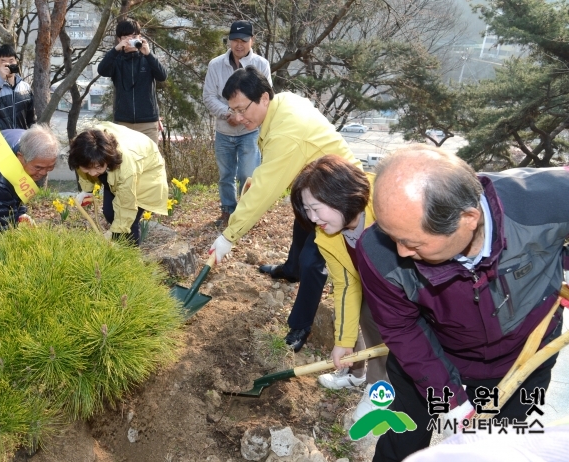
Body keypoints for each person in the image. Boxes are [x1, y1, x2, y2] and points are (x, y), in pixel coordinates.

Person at [355, 145, 568, 461]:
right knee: (401, 441)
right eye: (391, 235)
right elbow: (402, 329)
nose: (400, 252)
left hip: (523, 358)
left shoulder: (544, 200)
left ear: (469, 218)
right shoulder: (378, 252)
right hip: (433, 357)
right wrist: (453, 403)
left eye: (412, 243)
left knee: (498, 450)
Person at [206, 66, 359, 351]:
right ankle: (291, 269)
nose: (237, 119)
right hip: (314, 185)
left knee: (315, 260)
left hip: (339, 196)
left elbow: (266, 190)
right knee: (302, 222)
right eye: (232, 110)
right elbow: (277, 165)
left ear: (264, 97)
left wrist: (229, 236)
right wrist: (258, 176)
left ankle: (300, 326)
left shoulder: (287, 132)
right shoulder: (282, 103)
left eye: (242, 109)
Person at [289, 155, 388, 420]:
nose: (312, 218)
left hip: (405, 284)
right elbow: (346, 284)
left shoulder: (387, 205)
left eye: (315, 208)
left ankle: (379, 391)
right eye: (306, 211)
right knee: (348, 315)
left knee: (376, 320)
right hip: (373, 279)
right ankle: (356, 373)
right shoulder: (328, 234)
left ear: (341, 194)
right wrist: (343, 342)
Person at [203, 21, 272, 226]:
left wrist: (244, 116)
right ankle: (227, 211)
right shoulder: (216, 64)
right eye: (234, 40)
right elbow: (208, 96)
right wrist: (228, 114)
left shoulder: (261, 64)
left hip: (250, 131)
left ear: (252, 40)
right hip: (224, 130)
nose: (238, 44)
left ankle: (248, 213)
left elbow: (266, 96)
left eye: (243, 40)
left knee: (247, 174)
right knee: (226, 174)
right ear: (229, 41)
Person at [69, 122, 168, 245]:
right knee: (110, 213)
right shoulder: (85, 149)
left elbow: (126, 204)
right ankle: (119, 243)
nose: (93, 173)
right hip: (114, 166)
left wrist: (114, 232)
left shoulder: (126, 169)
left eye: (98, 168)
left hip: (145, 171)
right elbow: (86, 167)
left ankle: (130, 257)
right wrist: (86, 190)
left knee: (128, 221)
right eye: (87, 169)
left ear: (107, 160)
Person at [97, 18, 167, 145]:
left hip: (148, 122)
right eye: (126, 37)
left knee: (149, 161)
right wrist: (116, 50)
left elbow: (162, 76)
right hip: (124, 123)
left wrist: (149, 55)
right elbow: (102, 70)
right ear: (119, 39)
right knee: (125, 162)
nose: (131, 40)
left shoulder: (147, 58)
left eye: (134, 36)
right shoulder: (117, 60)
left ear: (140, 37)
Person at [0, 44, 36, 135]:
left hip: (19, 138)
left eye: (11, 60)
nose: (8, 64)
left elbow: (31, 118)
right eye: (3, 61)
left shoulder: (25, 87)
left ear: (16, 61)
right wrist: (0, 80)